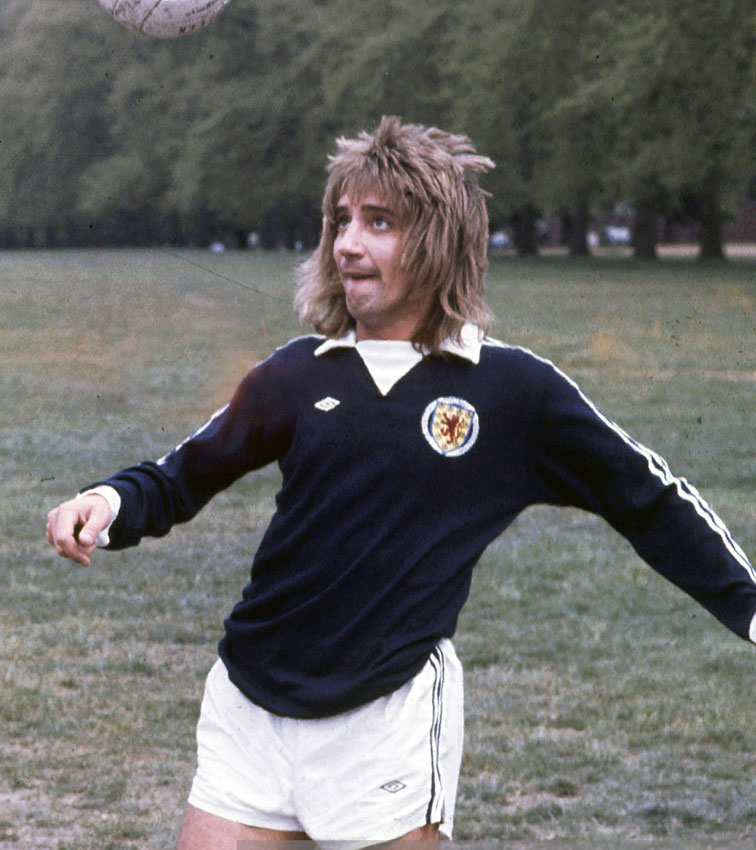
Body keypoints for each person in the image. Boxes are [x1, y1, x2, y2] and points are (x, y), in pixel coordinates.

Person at [46, 116, 756, 848]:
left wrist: (749, 606)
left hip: (385, 722)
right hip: (250, 708)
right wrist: (107, 501)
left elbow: (649, 499)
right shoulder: (298, 373)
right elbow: (181, 476)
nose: (347, 244)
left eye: (378, 222)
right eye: (341, 221)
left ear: (437, 242)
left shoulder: (511, 391)